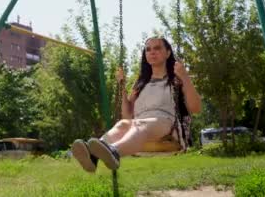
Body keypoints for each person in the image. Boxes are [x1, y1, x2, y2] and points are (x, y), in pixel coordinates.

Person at [71, 37, 201, 172]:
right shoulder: (140, 83)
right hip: (140, 125)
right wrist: (122, 85)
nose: (152, 52)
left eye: (157, 48)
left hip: (167, 125)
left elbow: (196, 108)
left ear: (168, 53)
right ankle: (93, 156)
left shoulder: (177, 79)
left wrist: (185, 76)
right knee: (122, 124)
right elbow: (127, 115)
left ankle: (114, 151)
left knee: (139, 124)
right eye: (148, 49)